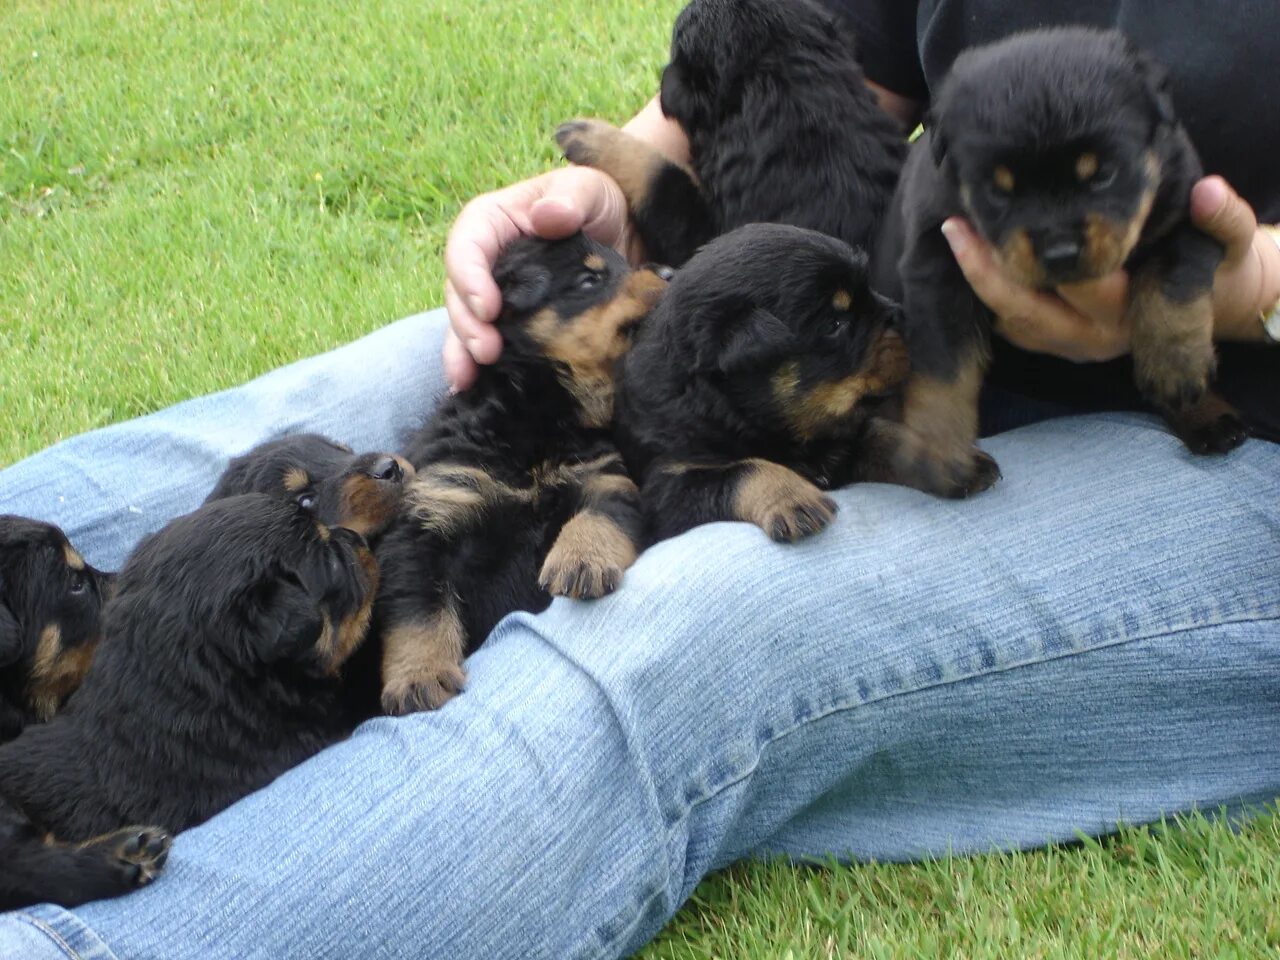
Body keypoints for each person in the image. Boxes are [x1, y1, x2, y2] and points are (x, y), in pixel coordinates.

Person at [1, 1, 1277, 957]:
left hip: (1226, 434)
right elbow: (829, 74)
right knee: (328, 420)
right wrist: (616, 188)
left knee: (665, 625)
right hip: (864, 320)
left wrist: (1243, 291)